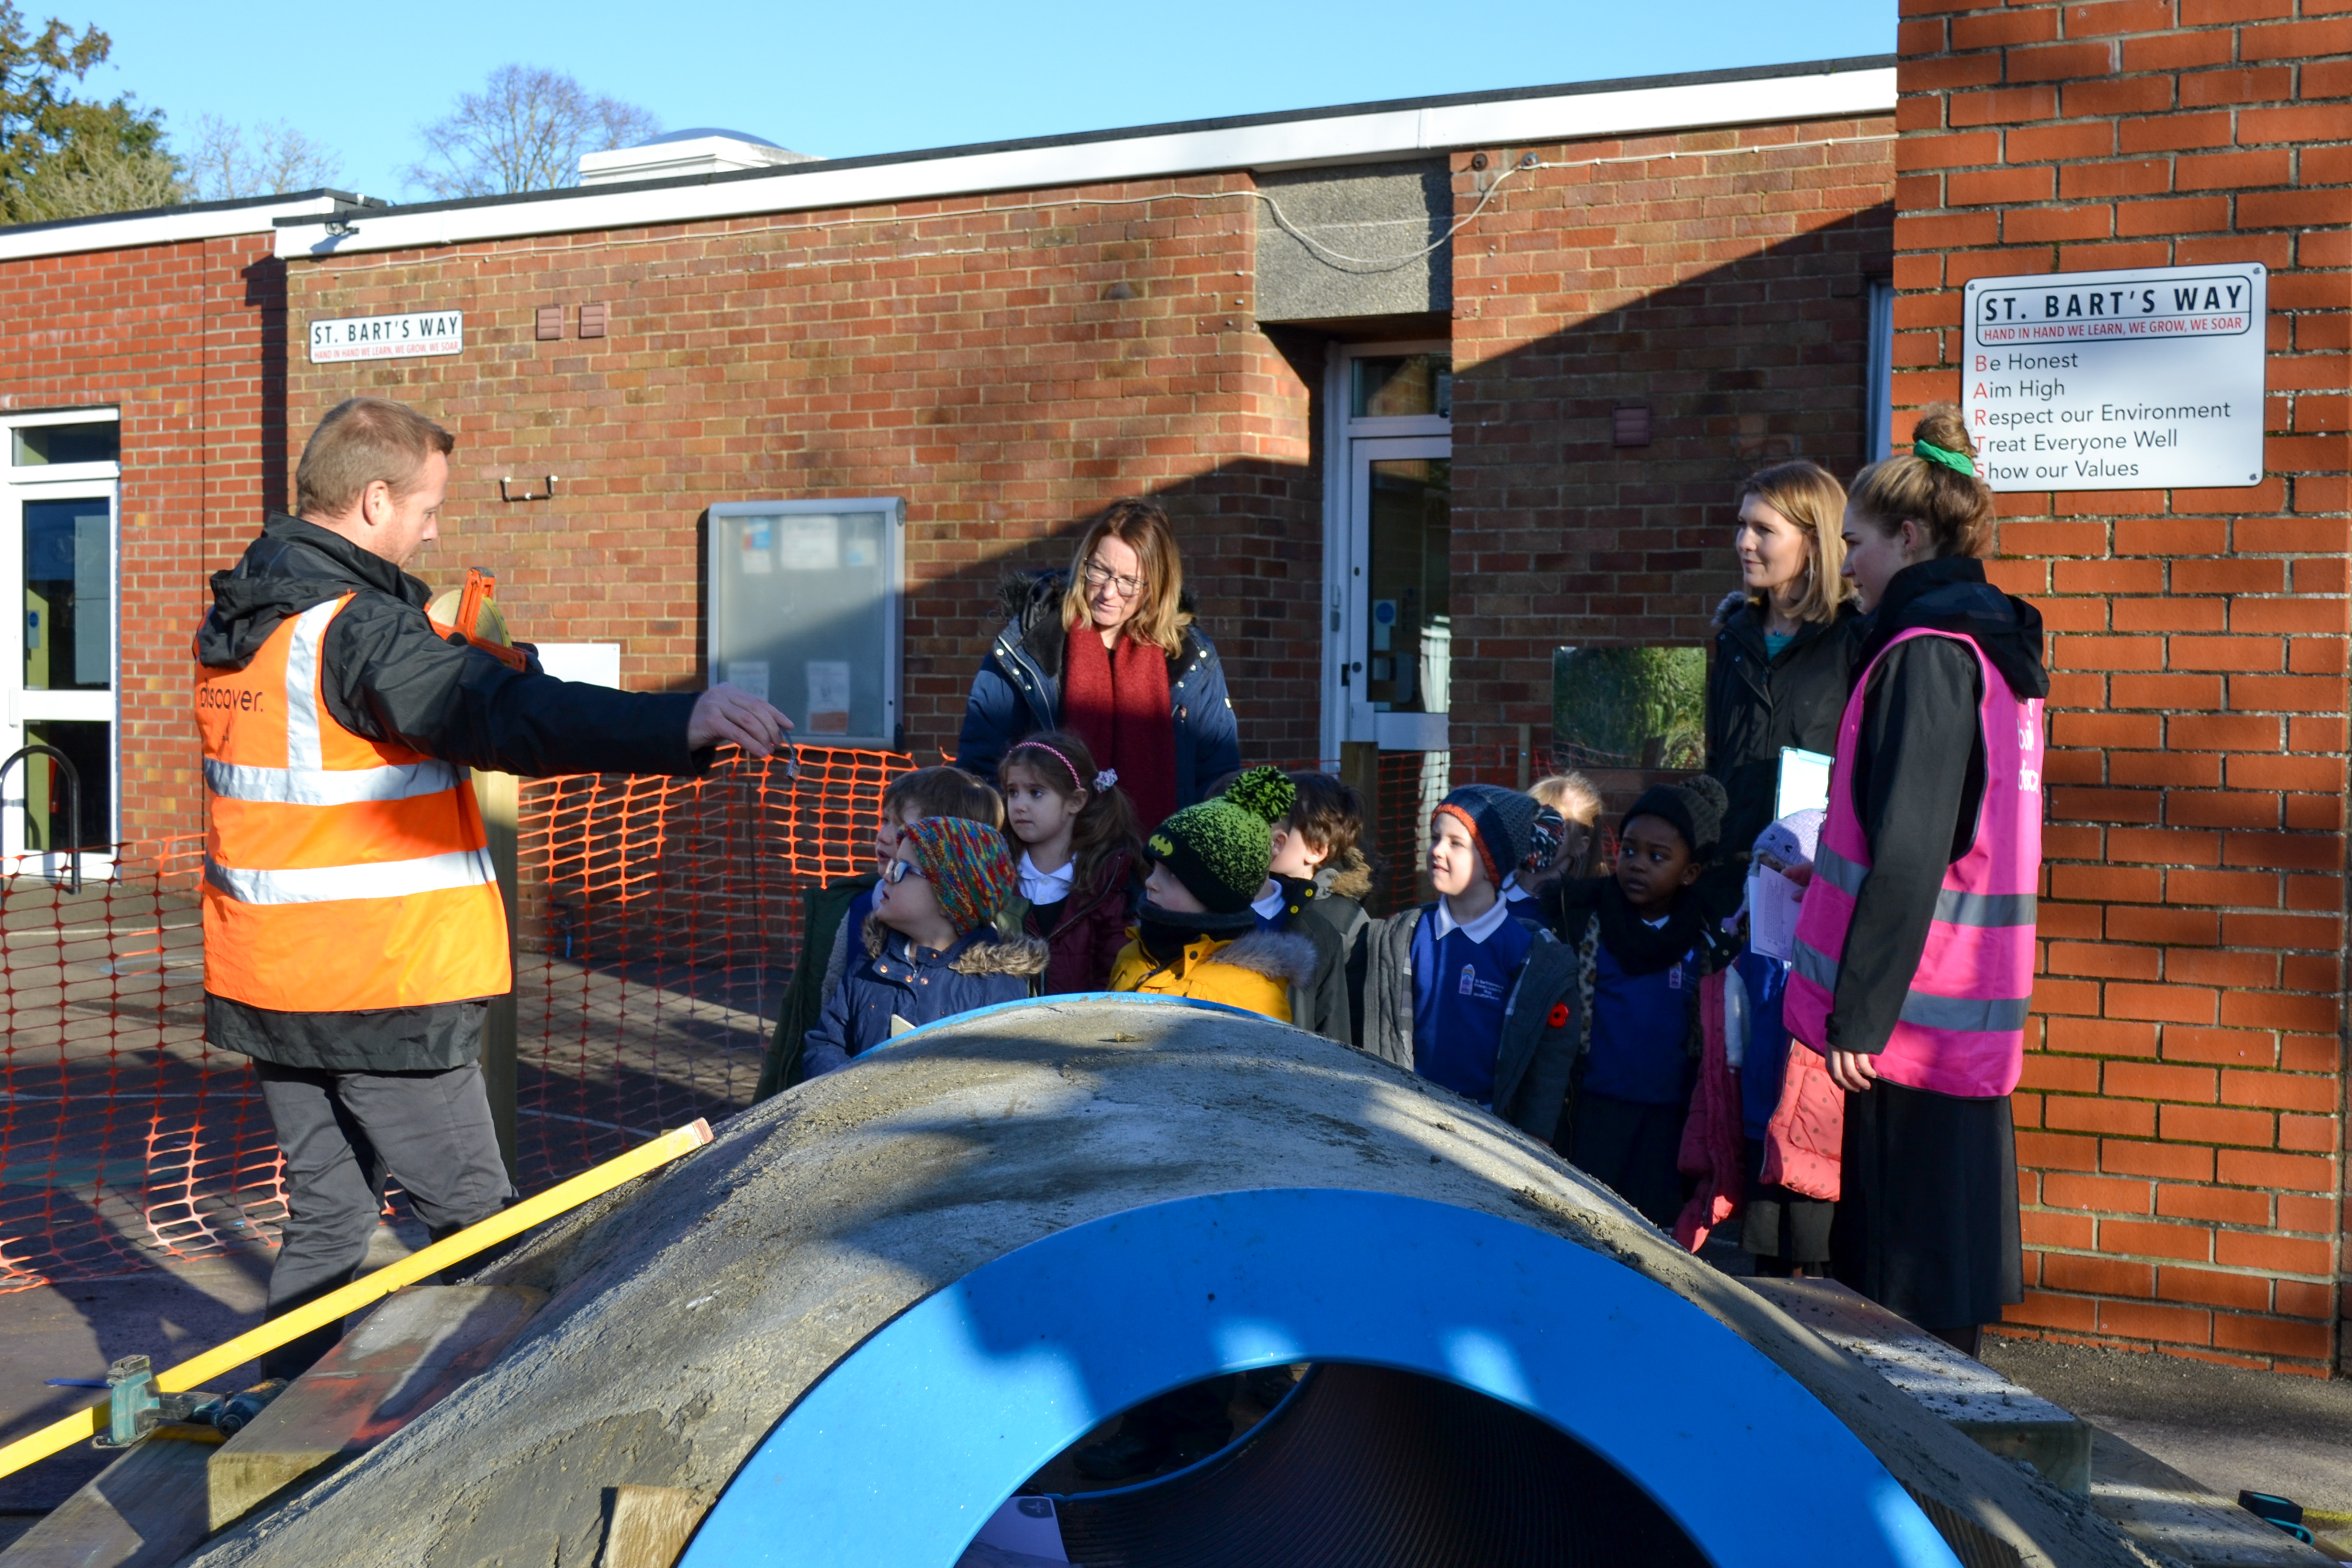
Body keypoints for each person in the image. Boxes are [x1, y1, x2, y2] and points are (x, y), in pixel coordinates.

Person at [196, 397, 792, 1378]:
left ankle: (278, 1426)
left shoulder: (253, 621)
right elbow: (499, 715)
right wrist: (677, 723)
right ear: (375, 498)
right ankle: (503, 1441)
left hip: (272, 982)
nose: (434, 529)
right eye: (427, 507)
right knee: (486, 1228)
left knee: (330, 1217)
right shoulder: (355, 632)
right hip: (378, 985)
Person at [1784, 406, 2046, 1357]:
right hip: (1961, 1006)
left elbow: (1908, 848)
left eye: (1854, 543)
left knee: (1902, 1303)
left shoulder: (1925, 654)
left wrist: (1861, 1012)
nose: (1844, 563)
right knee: (1944, 1283)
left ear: (1909, 536)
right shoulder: (1991, 653)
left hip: (1910, 1017)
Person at [955, 498, 1240, 832]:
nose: (1108, 592)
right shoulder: (1029, 646)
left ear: (1157, 586)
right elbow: (981, 765)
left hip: (1160, 868)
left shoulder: (1192, 659)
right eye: (1100, 570)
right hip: (1040, 867)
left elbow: (1217, 779)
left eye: (1128, 581)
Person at [1549, 777, 1738, 1229]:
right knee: (1585, 1226)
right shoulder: (1583, 922)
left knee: (1652, 1234)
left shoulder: (1707, 941)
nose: (1636, 865)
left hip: (1669, 1120)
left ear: (1689, 872)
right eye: (1629, 850)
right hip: (1592, 1111)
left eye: (1657, 857)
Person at [757, 765, 1006, 1097]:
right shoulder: (850, 915)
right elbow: (814, 1027)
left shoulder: (994, 957)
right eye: (885, 820)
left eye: (904, 826)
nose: (885, 835)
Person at [1357, 785, 1581, 1141]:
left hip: (1489, 1134)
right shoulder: (1403, 936)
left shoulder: (1529, 954)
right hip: (1405, 1121)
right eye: (1435, 838)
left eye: (1456, 843)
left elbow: (1547, 1067)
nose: (1437, 851)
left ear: (1491, 861)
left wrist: (1534, 1139)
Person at [1704, 460, 1861, 874]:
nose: (1744, 542)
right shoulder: (1733, 638)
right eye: (1742, 525)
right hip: (1728, 866)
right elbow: (1716, 759)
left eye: (1764, 530)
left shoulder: (1856, 639)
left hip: (1810, 868)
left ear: (1813, 541)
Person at [799, 816, 1047, 1076]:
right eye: (892, 864)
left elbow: (999, 1077)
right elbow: (826, 1043)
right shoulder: (872, 962)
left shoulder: (996, 985)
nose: (888, 875)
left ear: (949, 900)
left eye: (903, 869)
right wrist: (848, 1090)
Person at [1106, 767, 1316, 1019]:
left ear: (1216, 894)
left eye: (1171, 874)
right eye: (1154, 869)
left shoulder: (1251, 995)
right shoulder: (1132, 955)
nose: (1151, 883)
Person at [1729, 809, 1837, 1276]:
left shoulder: (1827, 959)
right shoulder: (1748, 958)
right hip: (1762, 1116)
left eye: (1783, 873)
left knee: (1813, 1248)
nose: (1771, 887)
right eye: (1762, 872)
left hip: (1816, 1125)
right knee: (1765, 1245)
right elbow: (1738, 1032)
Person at [995, 731, 1142, 994]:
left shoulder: (1109, 880)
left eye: (1036, 793)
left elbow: (1116, 971)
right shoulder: (996, 871)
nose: (1019, 805)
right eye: (1013, 792)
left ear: (1076, 801)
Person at [1244, 771, 1369, 1042]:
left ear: (1316, 849)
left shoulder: (1340, 922)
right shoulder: (1252, 902)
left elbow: (1339, 1019)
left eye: (1280, 825)